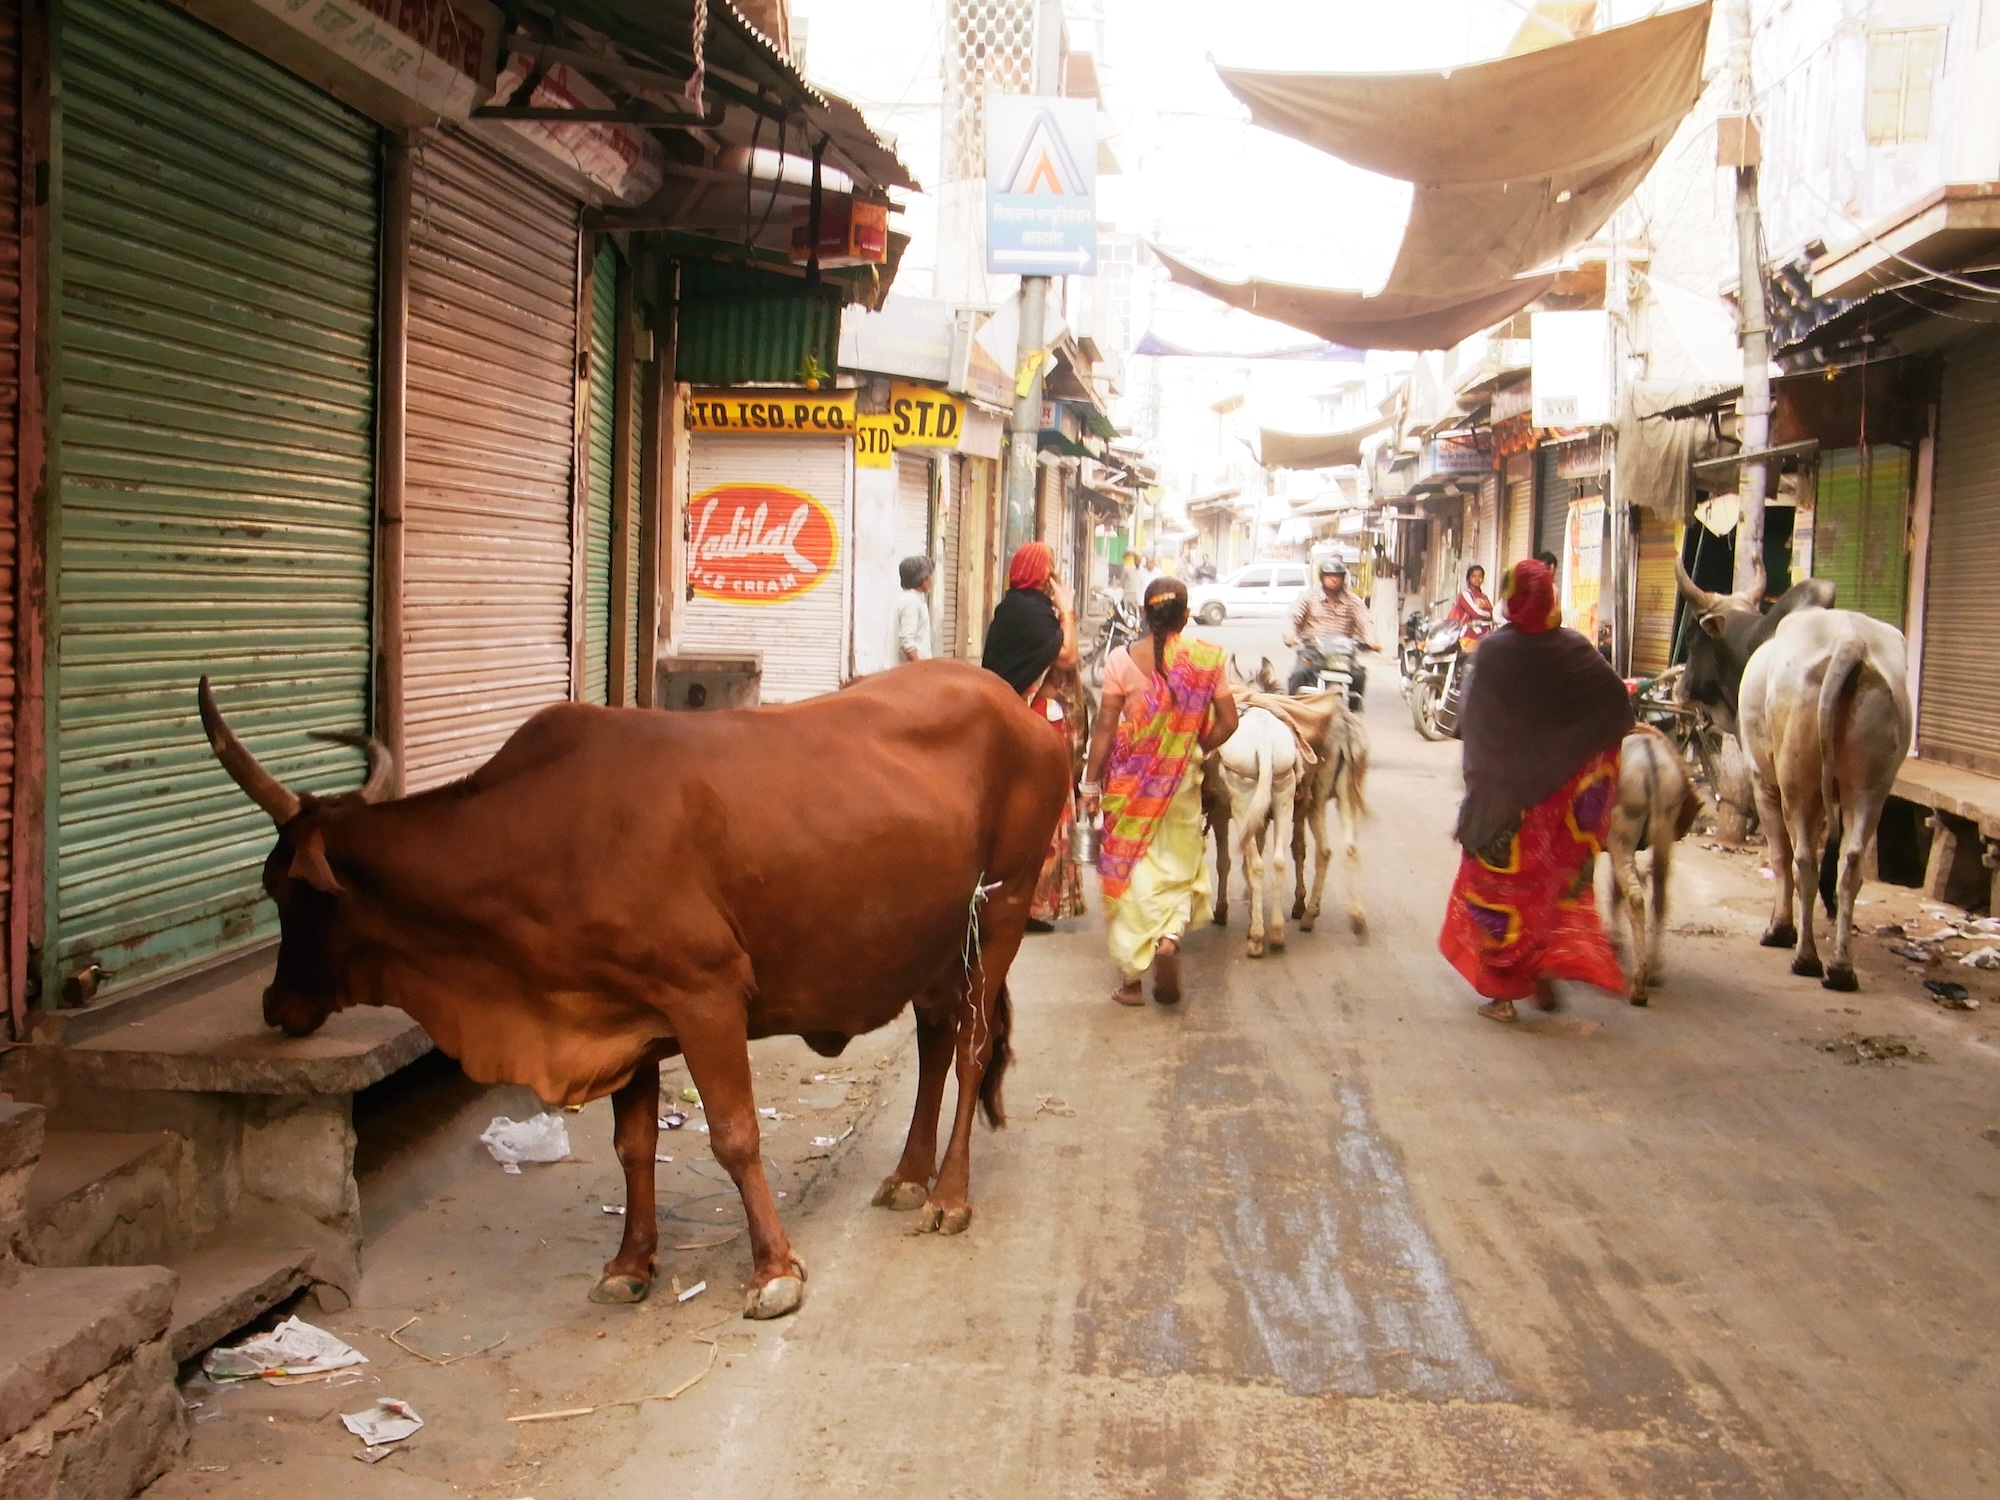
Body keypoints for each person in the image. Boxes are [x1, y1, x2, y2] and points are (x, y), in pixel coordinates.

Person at [1437, 558, 1635, 1021]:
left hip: (1503, 806)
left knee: (1496, 894)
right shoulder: (1574, 650)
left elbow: (1475, 725)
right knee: (1548, 889)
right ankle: (1540, 970)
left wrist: (1482, 784)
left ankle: (1506, 994)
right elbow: (1614, 706)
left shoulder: (1494, 653)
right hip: (1554, 812)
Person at [1081, 578, 1239, 1007]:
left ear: (1144, 614)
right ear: (1186, 616)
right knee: (1178, 866)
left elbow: (1106, 728)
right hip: (1181, 785)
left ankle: (1132, 981)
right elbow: (1229, 721)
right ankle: (1168, 937)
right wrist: (1191, 751)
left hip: (1127, 787)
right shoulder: (1205, 660)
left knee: (1131, 872)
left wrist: (1090, 784)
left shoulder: (1118, 660)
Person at [982, 542, 1084, 927]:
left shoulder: (1014, 609)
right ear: (1043, 576)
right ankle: (1034, 902)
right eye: (1052, 569)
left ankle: (1025, 900)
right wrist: (1069, 611)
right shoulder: (1030, 613)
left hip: (1018, 722)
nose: (1055, 575)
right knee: (1046, 811)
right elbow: (1068, 656)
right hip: (1037, 723)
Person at [1283, 558, 1377, 696]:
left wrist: (1371, 640)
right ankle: (1292, 710)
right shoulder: (1309, 597)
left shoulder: (1353, 601)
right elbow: (1293, 615)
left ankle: (1351, 711)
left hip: (1342, 655)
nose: (1334, 579)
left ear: (1343, 578)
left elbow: (1365, 621)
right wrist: (1290, 634)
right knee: (1299, 673)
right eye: (1330, 575)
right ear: (1322, 577)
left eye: (1338, 576)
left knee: (1358, 676)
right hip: (1314, 651)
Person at [895, 555, 934, 663]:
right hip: (912, 672)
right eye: (929, 576)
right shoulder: (911, 602)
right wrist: (919, 667)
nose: (931, 580)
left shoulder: (907, 599)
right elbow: (906, 640)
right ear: (922, 579)